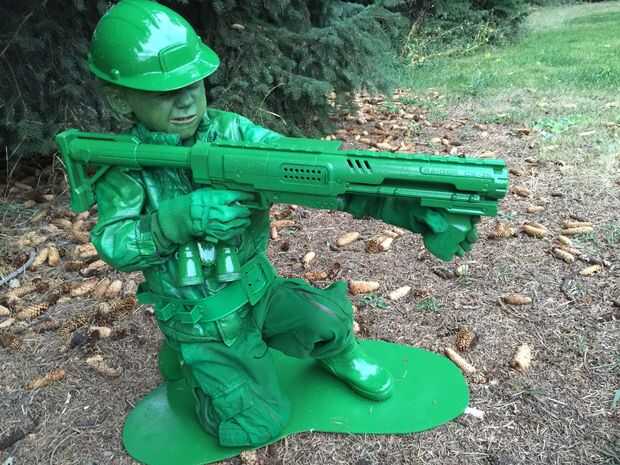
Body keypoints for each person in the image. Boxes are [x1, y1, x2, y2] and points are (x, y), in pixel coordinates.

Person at [86, 0, 478, 448]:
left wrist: (408, 210)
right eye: (164, 91)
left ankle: (338, 354)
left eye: (193, 81)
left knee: (326, 321)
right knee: (256, 427)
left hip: (259, 292)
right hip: (201, 321)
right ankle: (195, 368)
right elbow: (114, 243)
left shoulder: (233, 133)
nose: (187, 98)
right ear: (120, 99)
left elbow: (316, 174)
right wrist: (178, 219)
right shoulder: (125, 168)